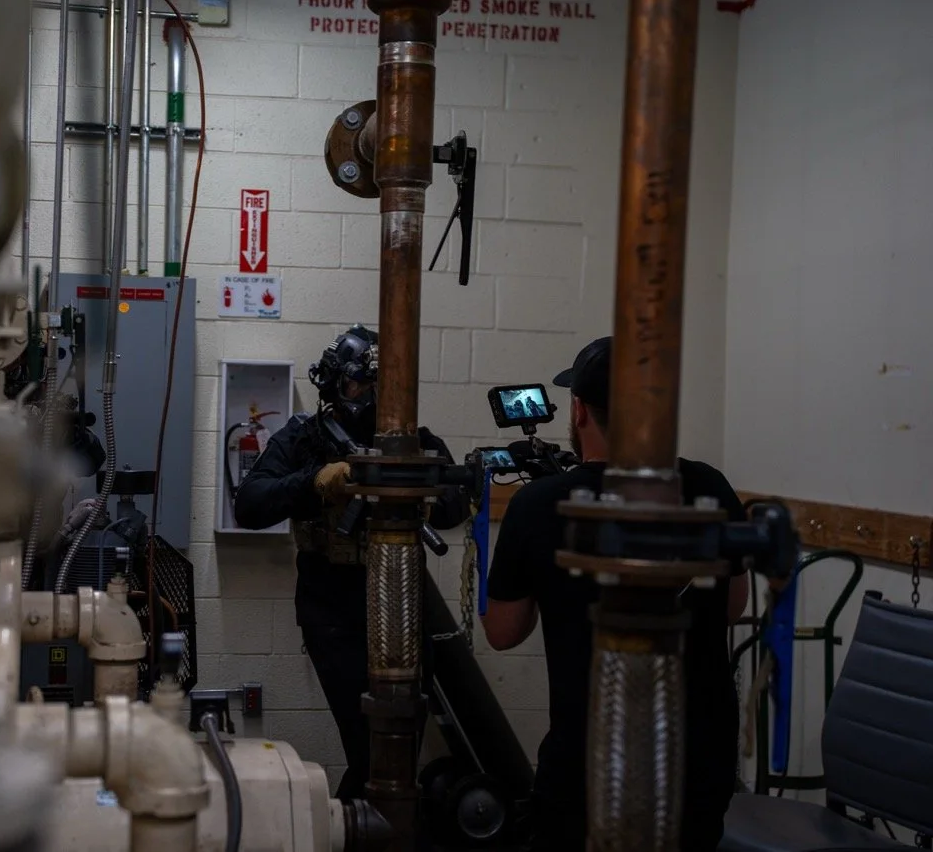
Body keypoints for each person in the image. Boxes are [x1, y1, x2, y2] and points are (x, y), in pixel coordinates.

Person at [481, 336, 750, 851]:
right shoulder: (711, 487)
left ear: (579, 411)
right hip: (698, 765)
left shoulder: (540, 503)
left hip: (590, 766)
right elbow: (731, 608)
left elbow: (503, 632)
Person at [232, 323, 470, 801]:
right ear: (334, 383)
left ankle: (376, 826)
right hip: (333, 608)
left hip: (402, 603)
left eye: (379, 384)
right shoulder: (305, 436)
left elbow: (452, 508)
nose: (366, 395)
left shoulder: (415, 441)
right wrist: (316, 480)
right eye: (356, 383)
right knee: (368, 745)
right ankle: (358, 825)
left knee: (404, 738)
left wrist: (414, 483)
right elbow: (251, 505)